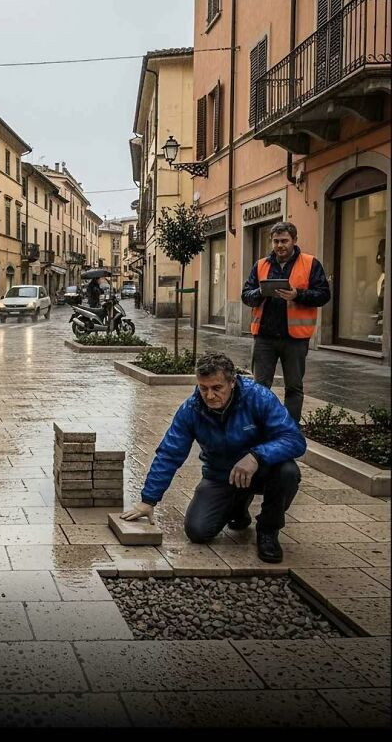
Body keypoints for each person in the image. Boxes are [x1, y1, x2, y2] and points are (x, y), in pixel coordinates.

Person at [120, 351, 306, 563]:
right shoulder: (191, 408)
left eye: (217, 388)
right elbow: (169, 455)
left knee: (288, 472)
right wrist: (148, 500)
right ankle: (238, 506)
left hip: (263, 471)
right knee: (197, 531)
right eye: (203, 388)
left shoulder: (259, 398)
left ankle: (268, 530)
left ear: (232, 382)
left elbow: (294, 440)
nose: (209, 395)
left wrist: (256, 456)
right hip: (220, 475)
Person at [240, 220, 330, 423]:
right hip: (264, 337)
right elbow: (246, 295)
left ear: (294, 240)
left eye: (284, 241)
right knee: (260, 387)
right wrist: (260, 293)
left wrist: (297, 295)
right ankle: (260, 427)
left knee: (294, 388)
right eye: (276, 241)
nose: (280, 245)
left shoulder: (310, 264)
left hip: (295, 339)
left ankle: (289, 431)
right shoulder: (261, 265)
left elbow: (323, 295)